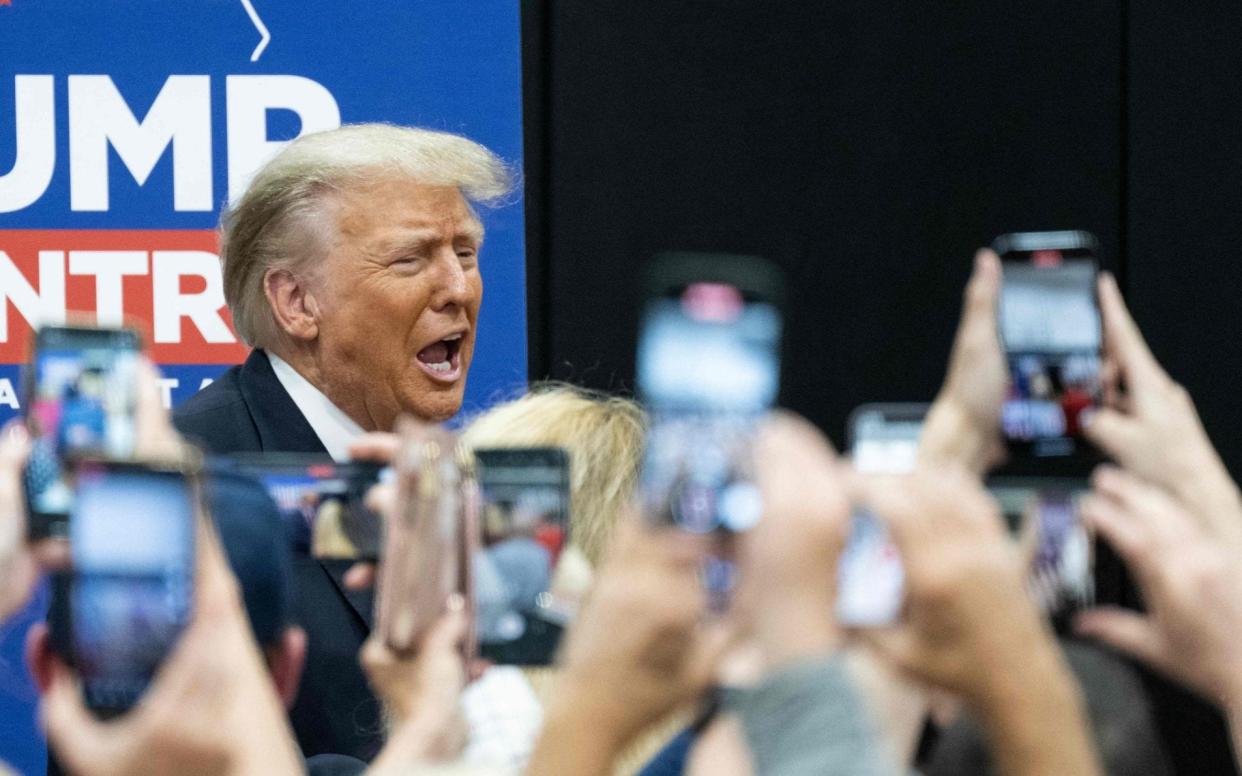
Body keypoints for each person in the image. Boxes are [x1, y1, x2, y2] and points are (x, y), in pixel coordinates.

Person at [172, 122, 512, 759]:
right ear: (297, 302)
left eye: (465, 253)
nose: (460, 288)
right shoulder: (190, 478)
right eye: (411, 258)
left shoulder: (453, 477)